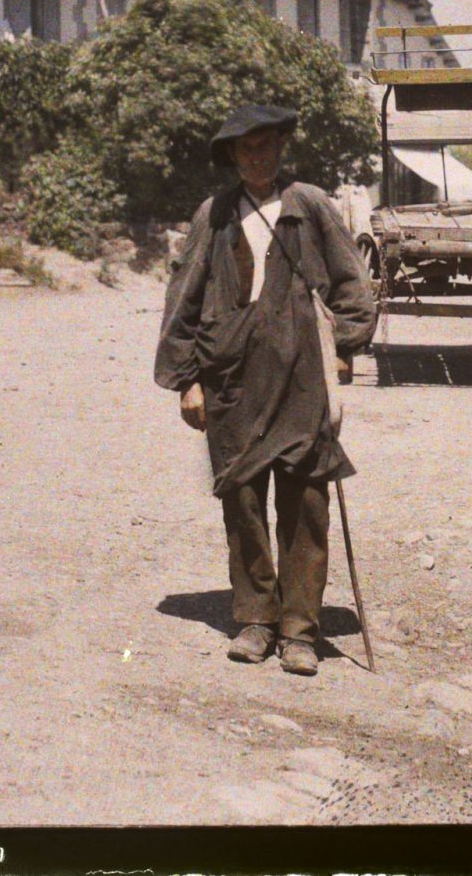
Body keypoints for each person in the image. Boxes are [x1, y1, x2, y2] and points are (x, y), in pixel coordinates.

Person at [154, 103, 375, 676]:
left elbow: (353, 281)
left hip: (302, 375)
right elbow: (184, 296)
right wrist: (187, 381)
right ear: (231, 156)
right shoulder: (216, 213)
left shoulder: (311, 205)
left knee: (305, 502)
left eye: (266, 146)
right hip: (230, 378)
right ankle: (255, 618)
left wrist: (343, 348)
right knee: (243, 501)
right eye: (245, 149)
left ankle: (300, 629)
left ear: (281, 148)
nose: (257, 157)